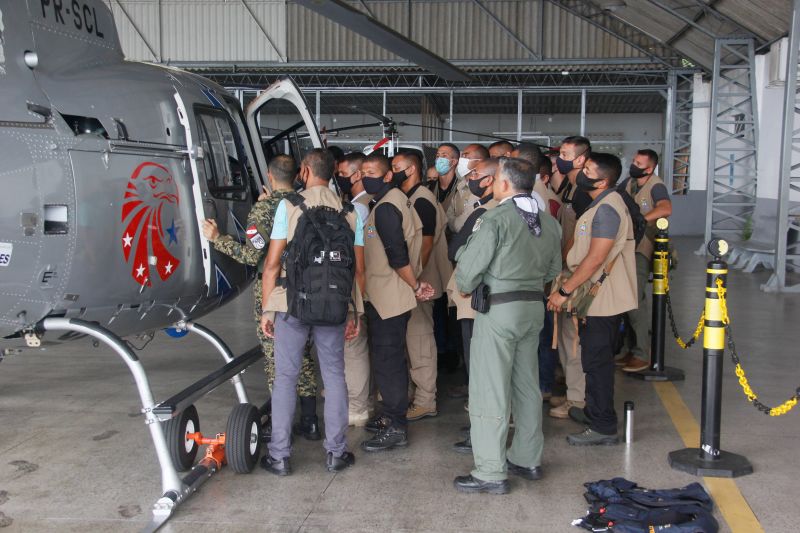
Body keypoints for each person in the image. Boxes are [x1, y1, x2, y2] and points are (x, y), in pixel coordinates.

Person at [452, 157, 562, 494]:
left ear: (504, 184)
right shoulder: (548, 222)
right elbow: (551, 271)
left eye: (495, 178)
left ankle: (489, 471)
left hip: (499, 311)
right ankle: (527, 458)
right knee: (527, 386)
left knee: (490, 390)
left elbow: (467, 272)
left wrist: (471, 281)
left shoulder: (495, 218)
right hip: (532, 309)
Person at [202, 154, 320, 440]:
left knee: (275, 357)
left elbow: (251, 254)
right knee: (302, 353)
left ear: (269, 175)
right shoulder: (306, 202)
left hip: (274, 289)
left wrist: (218, 238)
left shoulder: (264, 209)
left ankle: (282, 427)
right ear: (297, 175)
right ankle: (311, 421)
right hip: (304, 288)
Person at [259, 149, 363, 475]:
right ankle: (335, 453)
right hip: (333, 304)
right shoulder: (350, 212)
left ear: (304, 170)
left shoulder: (288, 206)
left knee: (286, 377)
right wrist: (354, 312)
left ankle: (279, 455)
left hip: (292, 303)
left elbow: (272, 264)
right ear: (333, 172)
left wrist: (267, 309)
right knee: (334, 376)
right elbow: (358, 270)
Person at [547, 152, 637, 446]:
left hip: (603, 297)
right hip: (596, 296)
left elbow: (596, 257)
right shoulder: (600, 205)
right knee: (591, 358)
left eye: (587, 169)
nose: (580, 171)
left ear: (603, 179)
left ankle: (603, 426)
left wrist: (564, 291)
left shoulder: (608, 208)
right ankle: (595, 412)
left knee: (597, 363)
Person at [359, 153, 434, 452]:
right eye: (362, 171)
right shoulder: (391, 200)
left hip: (390, 294)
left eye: (372, 172)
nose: (365, 177)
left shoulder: (388, 207)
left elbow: (397, 255)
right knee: (387, 358)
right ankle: (390, 415)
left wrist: (415, 285)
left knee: (389, 361)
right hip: (387, 293)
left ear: (388, 175)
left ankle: (396, 426)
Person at [446, 158, 500, 452]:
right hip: (490, 299)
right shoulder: (492, 210)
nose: (471, 177)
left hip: (477, 297)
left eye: (476, 173)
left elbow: (457, 251)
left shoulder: (487, 214)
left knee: (479, 366)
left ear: (492, 180)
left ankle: (482, 429)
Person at [394, 151, 452, 421]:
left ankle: (426, 399)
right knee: (409, 341)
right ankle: (414, 394)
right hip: (412, 283)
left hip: (421, 284)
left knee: (419, 340)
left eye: (396, 167)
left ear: (412, 170)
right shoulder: (409, 198)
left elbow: (425, 245)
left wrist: (413, 281)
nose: (390, 172)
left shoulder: (422, 201)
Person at [618, 149, 673, 372]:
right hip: (627, 245)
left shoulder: (656, 185)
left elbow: (666, 208)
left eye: (639, 163)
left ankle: (642, 353)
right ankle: (629, 350)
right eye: (633, 161)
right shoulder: (629, 182)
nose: (634, 165)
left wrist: (641, 220)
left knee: (634, 298)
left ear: (649, 168)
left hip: (642, 248)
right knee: (624, 299)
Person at [549, 136, 592, 419]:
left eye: (564, 154)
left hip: (574, 275)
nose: (559, 159)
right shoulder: (572, 186)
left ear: (580, 159)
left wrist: (562, 272)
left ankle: (578, 401)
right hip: (567, 271)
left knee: (573, 339)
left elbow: (577, 239)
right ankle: (573, 394)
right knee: (566, 339)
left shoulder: (583, 193)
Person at [337, 152, 373, 425]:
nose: (339, 179)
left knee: (354, 347)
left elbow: (357, 260)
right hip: (364, 285)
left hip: (356, 286)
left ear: (357, 174)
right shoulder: (360, 205)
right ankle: (362, 399)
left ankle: (358, 407)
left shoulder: (358, 210)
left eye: (342, 174)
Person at [447, 143, 490, 234]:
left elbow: (461, 226)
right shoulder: (460, 185)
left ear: (479, 162)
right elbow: (448, 215)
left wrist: (453, 223)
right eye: (461, 156)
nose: (461, 160)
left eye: (466, 156)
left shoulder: (481, 189)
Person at [433, 143, 461, 210]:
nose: (439, 159)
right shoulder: (429, 187)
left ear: (454, 162)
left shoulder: (461, 188)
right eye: (437, 156)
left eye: (444, 156)